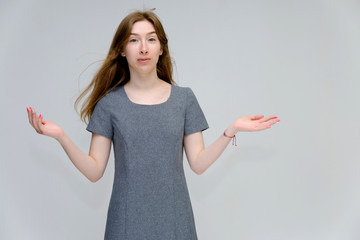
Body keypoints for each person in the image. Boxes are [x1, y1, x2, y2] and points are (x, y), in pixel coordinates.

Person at [27, 10, 280, 240]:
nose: (143, 47)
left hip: (175, 223)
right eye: (134, 39)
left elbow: (199, 163)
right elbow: (94, 171)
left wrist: (232, 129)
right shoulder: (109, 105)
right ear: (123, 50)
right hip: (125, 224)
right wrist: (61, 136)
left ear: (161, 49)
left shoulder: (184, 99)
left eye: (151, 39)